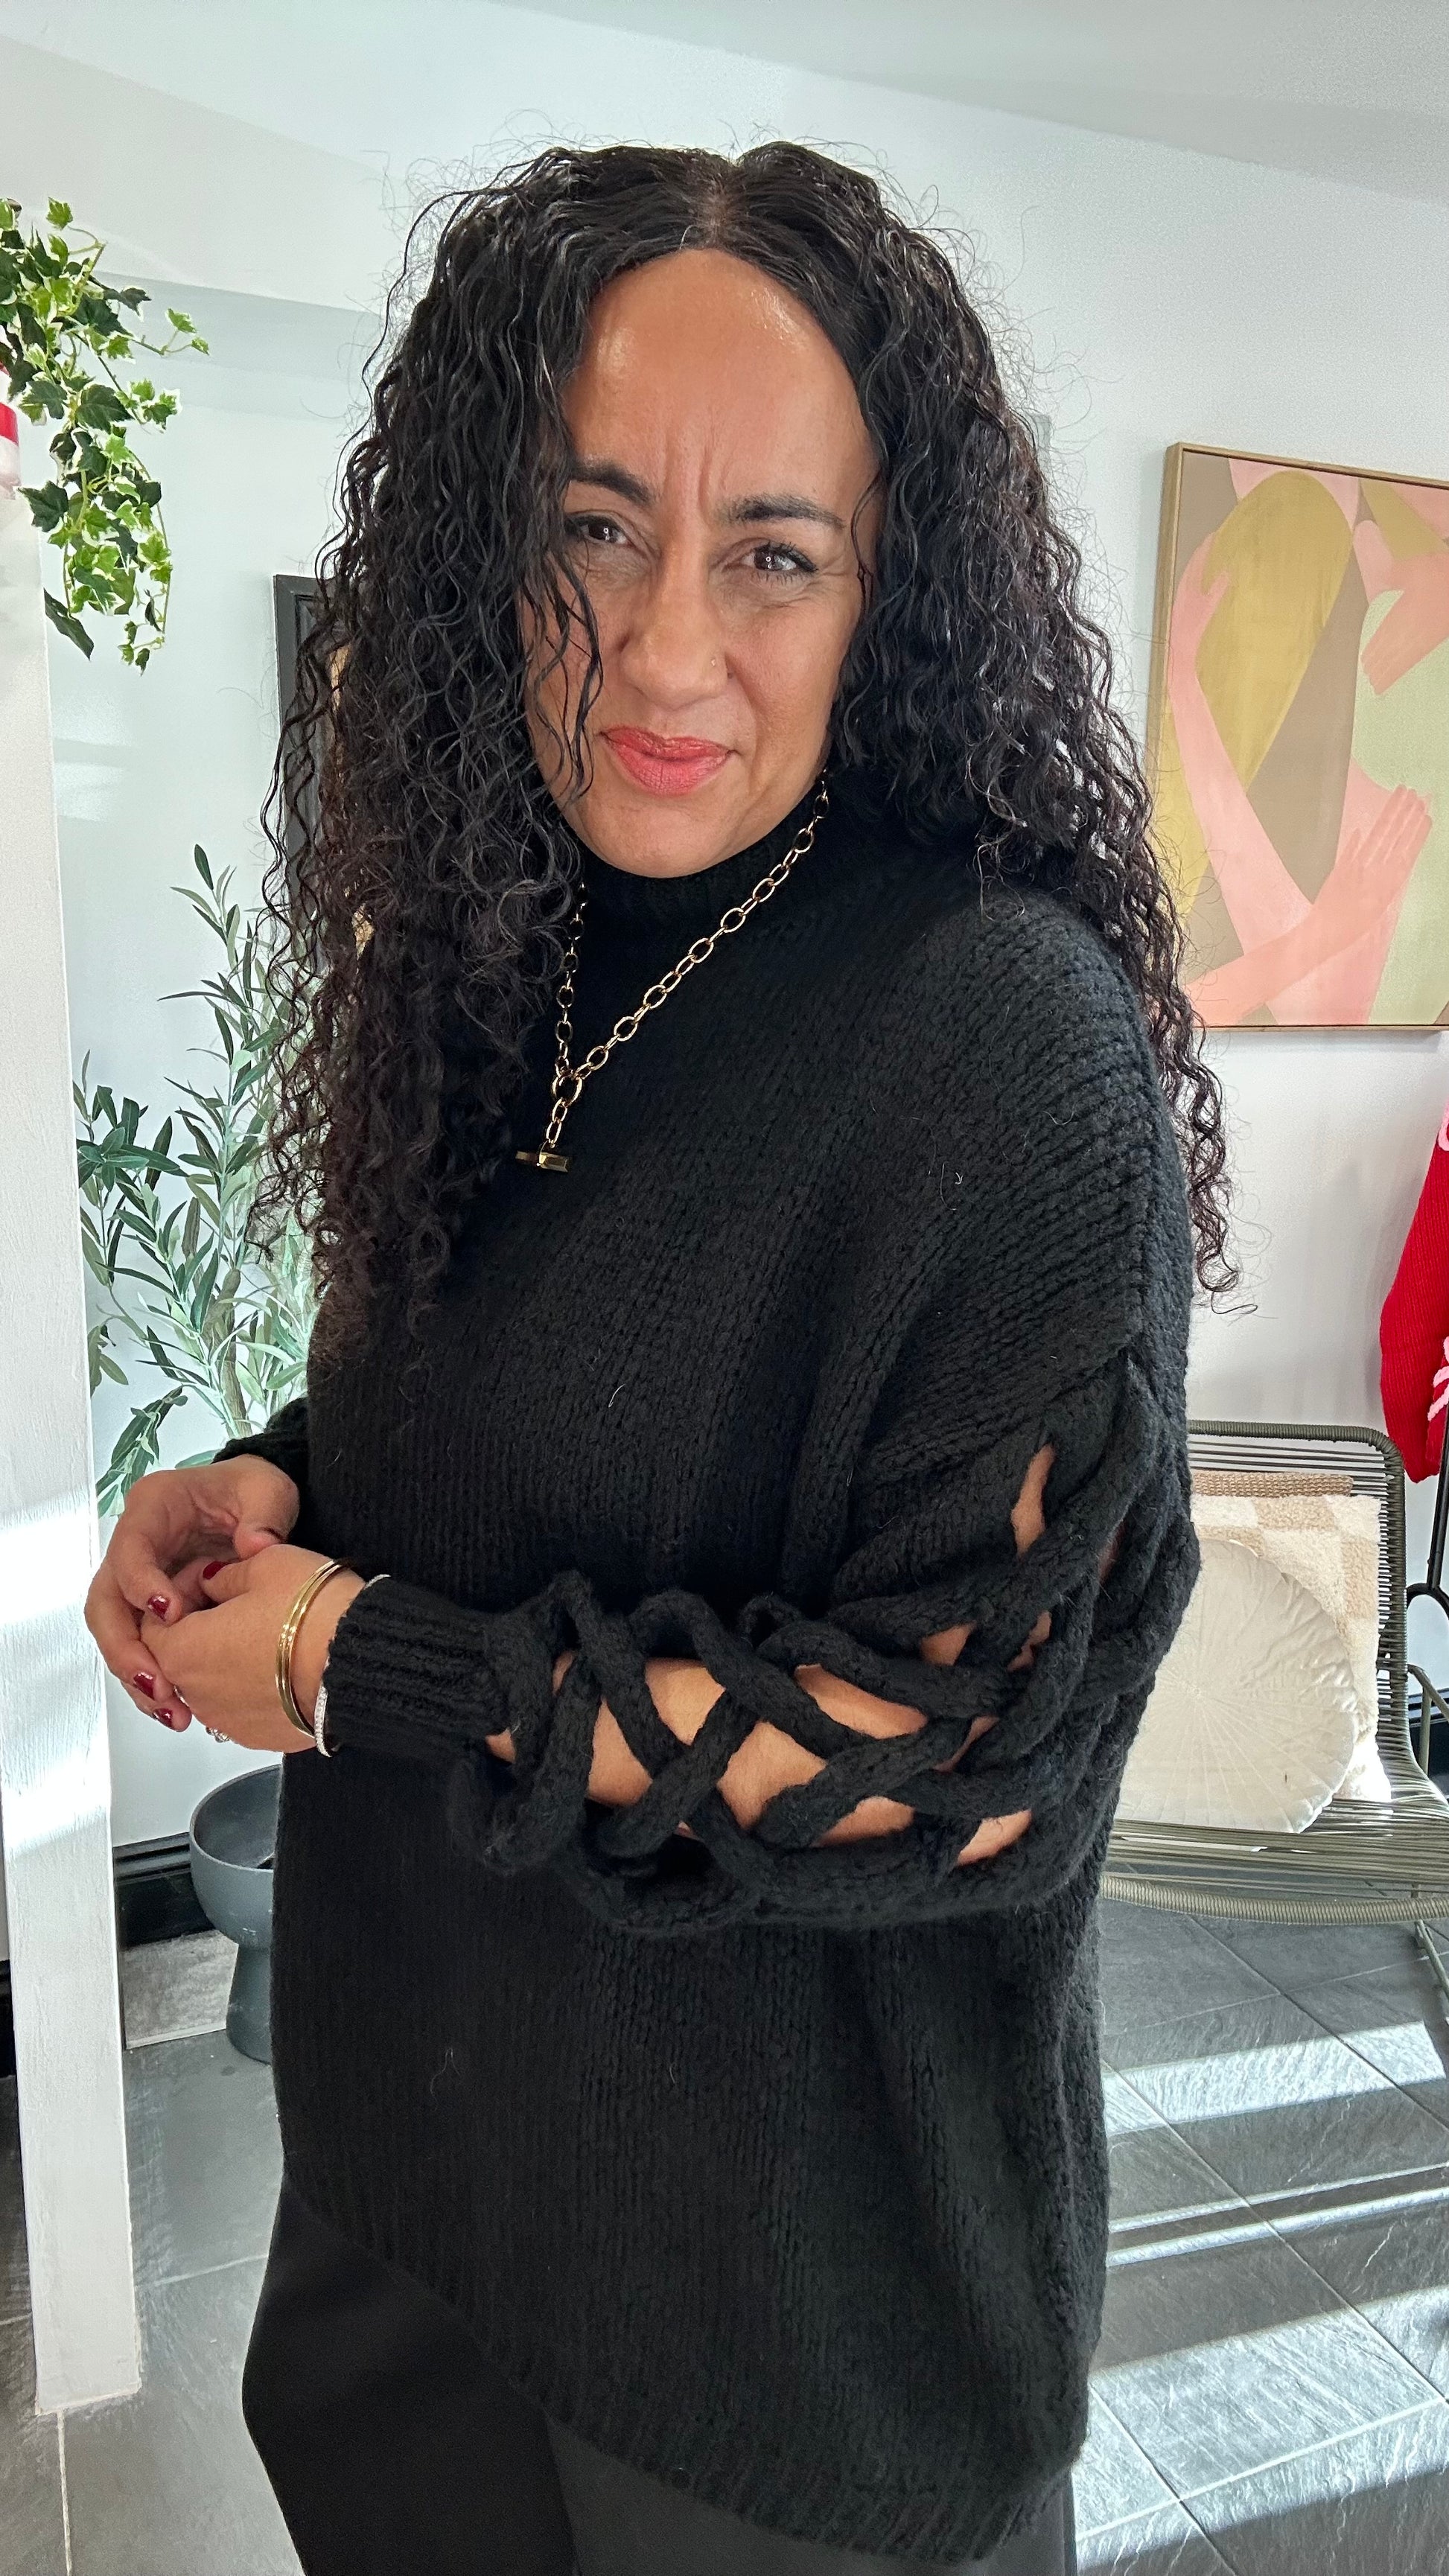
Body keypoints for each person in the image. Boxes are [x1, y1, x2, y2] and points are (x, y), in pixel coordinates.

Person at [85, 141, 1229, 2575]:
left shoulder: (1000, 1041)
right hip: (403, 2199)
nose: (663, 645)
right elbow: (525, 1410)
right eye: (595, 529)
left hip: (786, 2349)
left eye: (771, 555)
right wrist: (286, 1482)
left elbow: (966, 1764)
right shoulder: (492, 940)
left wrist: (366, 1662)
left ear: (891, 592)